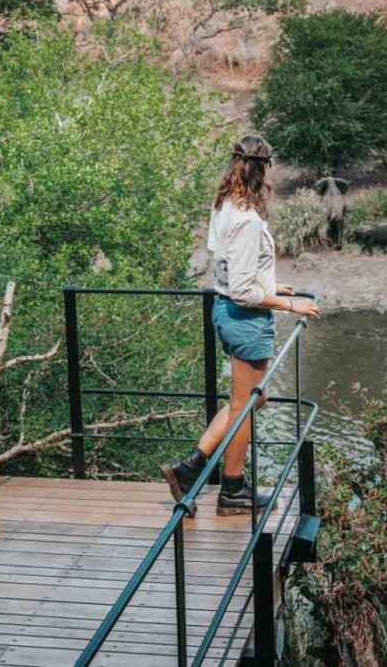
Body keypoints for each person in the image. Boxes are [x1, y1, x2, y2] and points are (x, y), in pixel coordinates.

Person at [161, 135, 319, 515]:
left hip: (225, 310)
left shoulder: (224, 206)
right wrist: (290, 304)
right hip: (245, 318)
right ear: (260, 169)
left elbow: (231, 268)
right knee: (245, 405)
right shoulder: (247, 219)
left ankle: (194, 467)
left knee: (249, 401)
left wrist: (270, 284)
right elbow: (246, 291)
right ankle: (230, 489)